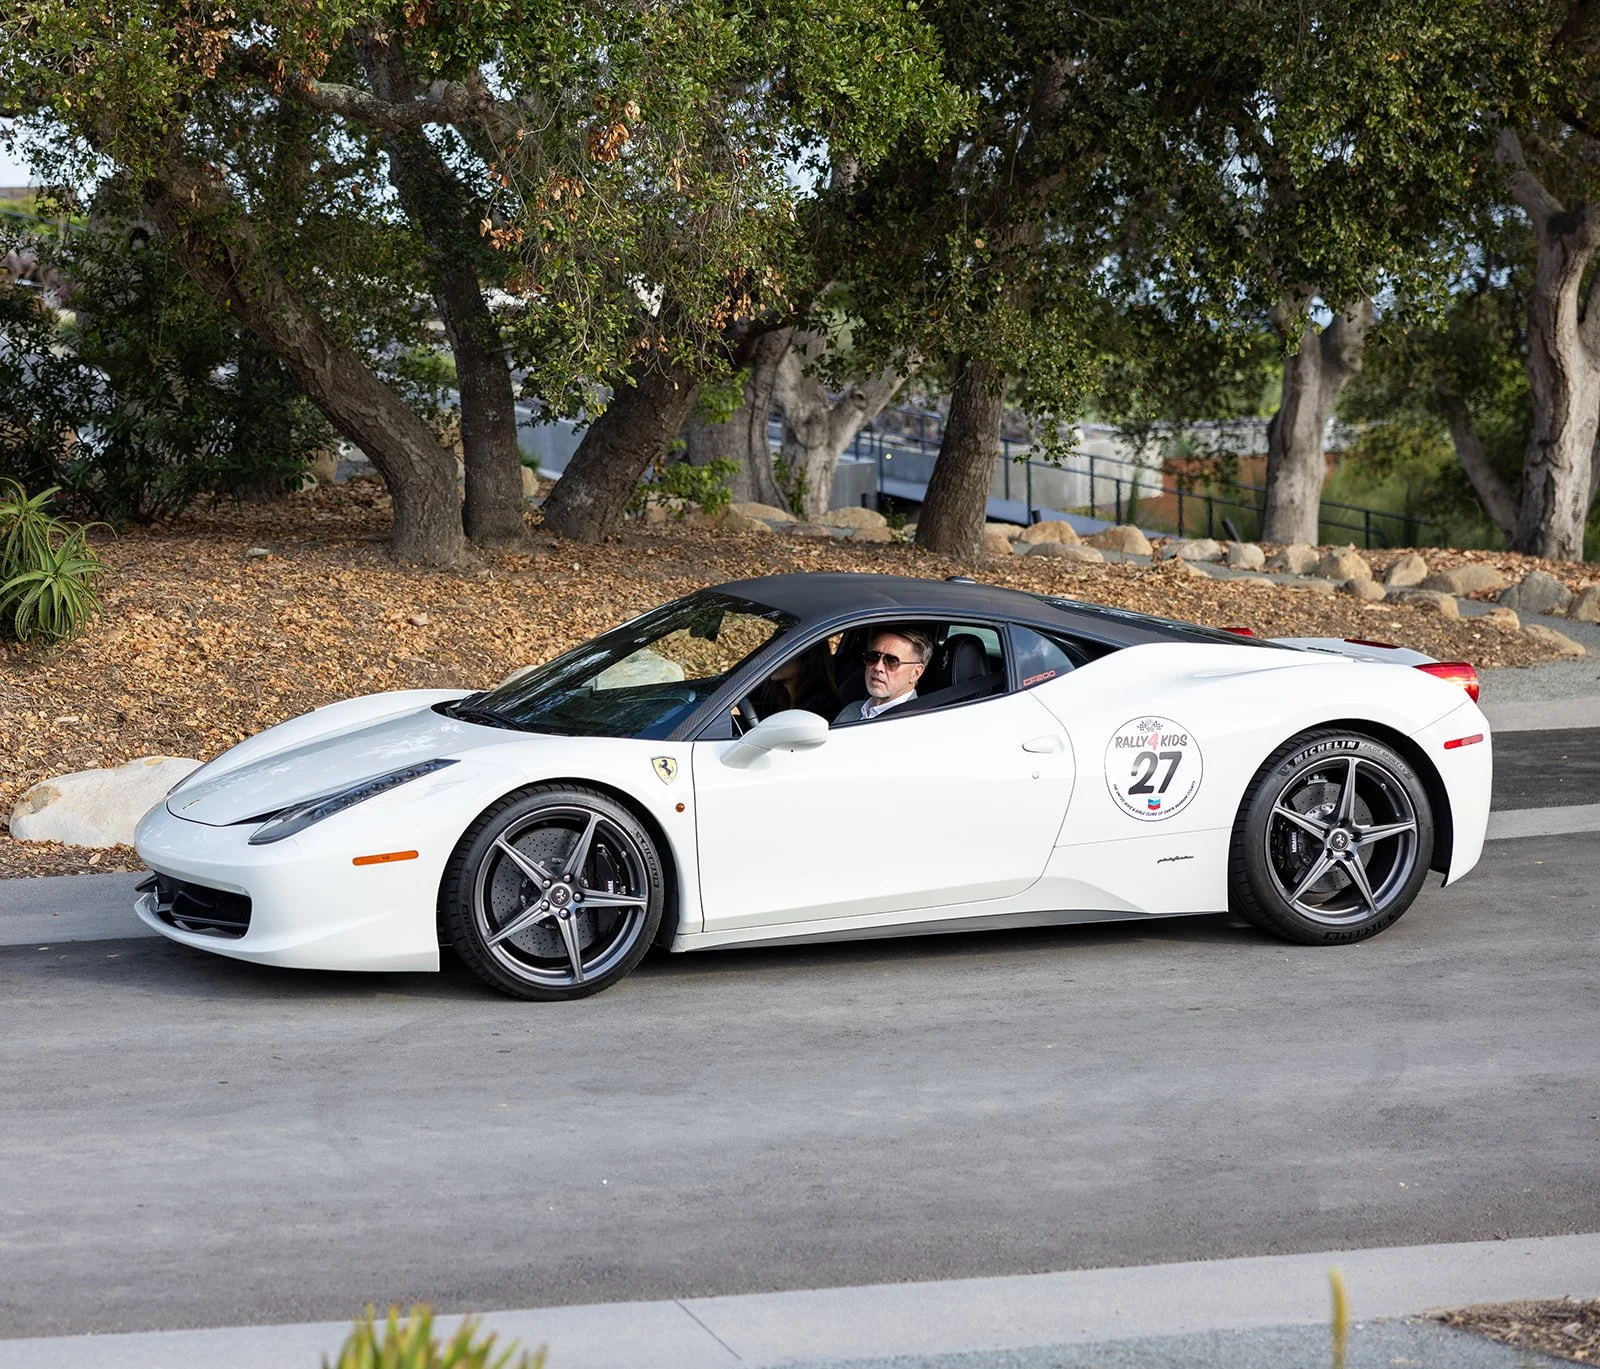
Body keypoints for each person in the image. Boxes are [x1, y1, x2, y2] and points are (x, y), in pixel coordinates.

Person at [834, 627, 931, 724]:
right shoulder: (851, 710)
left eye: (892, 661)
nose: (878, 667)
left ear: (915, 673)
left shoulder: (919, 724)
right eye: (873, 657)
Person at [753, 641, 838, 719]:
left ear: (808, 657)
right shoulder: (780, 699)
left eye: (785, 653)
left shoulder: (821, 710)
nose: (775, 659)